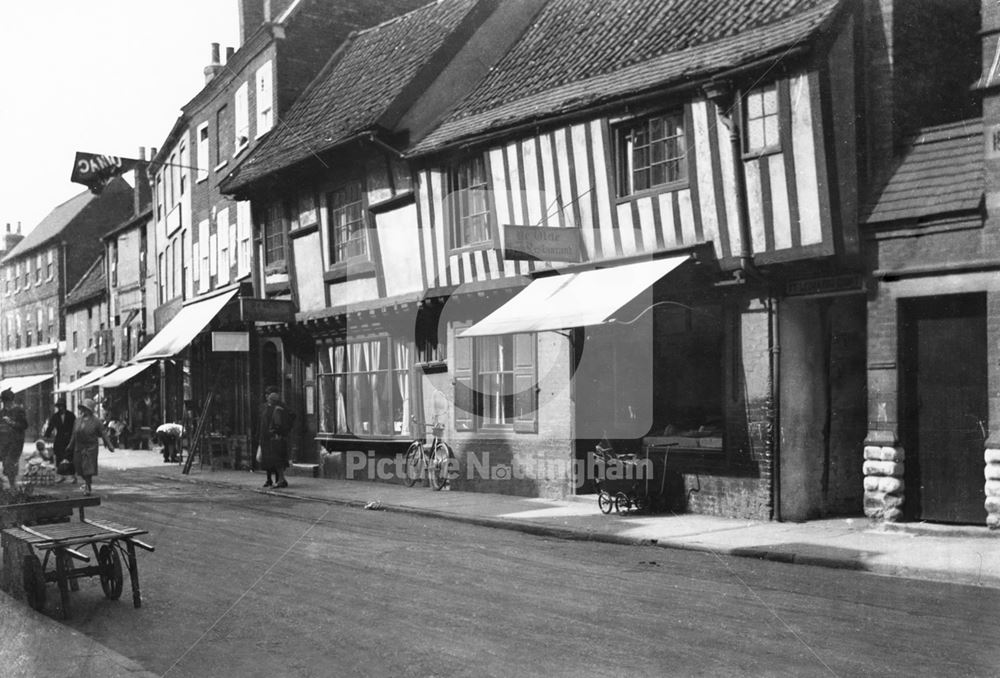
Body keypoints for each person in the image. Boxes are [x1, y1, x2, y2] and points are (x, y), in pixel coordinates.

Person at [66, 398, 115, 496]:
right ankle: (87, 482)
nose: (83, 411)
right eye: (82, 408)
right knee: (79, 467)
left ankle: (87, 486)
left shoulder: (96, 421)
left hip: (90, 447)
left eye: (85, 408)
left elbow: (103, 433)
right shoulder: (77, 420)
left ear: (90, 409)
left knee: (87, 468)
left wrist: (109, 445)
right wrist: (70, 445)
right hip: (78, 447)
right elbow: (74, 434)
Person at [259, 387, 290, 488]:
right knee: (274, 460)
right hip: (269, 438)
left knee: (278, 460)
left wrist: (275, 432)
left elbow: (277, 424)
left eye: (269, 397)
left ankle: (280, 480)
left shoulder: (277, 409)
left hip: (275, 438)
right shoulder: (267, 407)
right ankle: (277, 480)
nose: (267, 398)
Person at [0, 388, 28, 491]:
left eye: (6, 401)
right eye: (3, 402)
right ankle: (11, 486)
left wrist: (11, 423)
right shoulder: (2, 412)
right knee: (6, 465)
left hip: (16, 443)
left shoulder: (18, 410)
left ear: (10, 401)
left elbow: (24, 425)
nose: (4, 404)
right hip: (4, 443)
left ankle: (13, 487)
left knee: (9, 463)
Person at [44, 397, 77, 484]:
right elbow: (50, 427)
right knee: (59, 457)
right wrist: (46, 435)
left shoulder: (71, 415)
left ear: (65, 406)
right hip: (59, 439)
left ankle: (72, 476)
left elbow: (75, 427)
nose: (61, 408)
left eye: (62, 406)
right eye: (59, 406)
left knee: (69, 457)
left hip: (69, 438)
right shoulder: (55, 416)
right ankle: (60, 476)